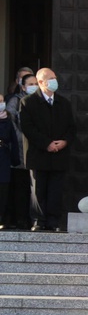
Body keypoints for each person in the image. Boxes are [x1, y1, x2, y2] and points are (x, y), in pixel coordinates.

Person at [19, 68, 77, 232]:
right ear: (41, 82)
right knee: (38, 189)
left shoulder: (63, 103)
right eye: (50, 78)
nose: (54, 80)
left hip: (59, 154)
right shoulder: (28, 102)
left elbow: (71, 127)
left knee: (56, 189)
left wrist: (64, 142)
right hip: (38, 154)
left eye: (55, 77)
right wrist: (46, 143)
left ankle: (53, 221)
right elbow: (28, 128)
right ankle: (38, 220)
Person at [4, 73, 37, 229]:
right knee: (20, 188)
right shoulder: (15, 101)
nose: (34, 86)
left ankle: (35, 218)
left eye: (36, 83)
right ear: (23, 86)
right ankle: (20, 219)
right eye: (30, 84)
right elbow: (12, 125)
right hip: (20, 152)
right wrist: (25, 139)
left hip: (36, 150)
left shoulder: (40, 101)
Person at [0, 95, 20, 229]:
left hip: (3, 157)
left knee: (3, 189)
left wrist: (15, 159)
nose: (1, 104)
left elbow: (13, 139)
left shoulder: (7, 120)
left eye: (1, 101)